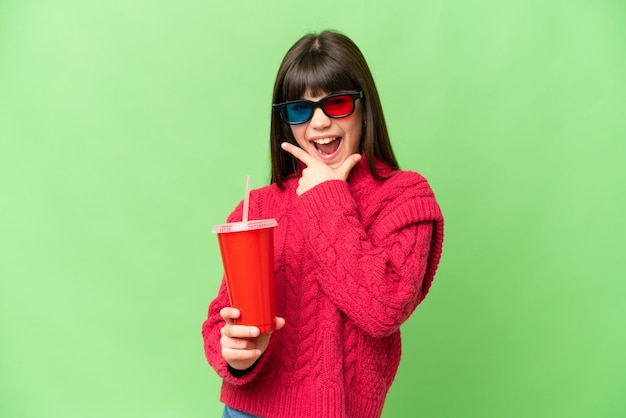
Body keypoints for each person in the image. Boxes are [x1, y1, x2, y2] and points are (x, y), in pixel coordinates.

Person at [202, 30, 444, 418]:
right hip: (247, 411)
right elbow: (221, 317)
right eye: (300, 109)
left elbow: (383, 309)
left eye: (337, 104)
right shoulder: (259, 205)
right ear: (286, 122)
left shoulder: (405, 197)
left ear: (364, 108)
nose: (318, 122)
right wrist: (234, 354)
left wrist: (327, 196)